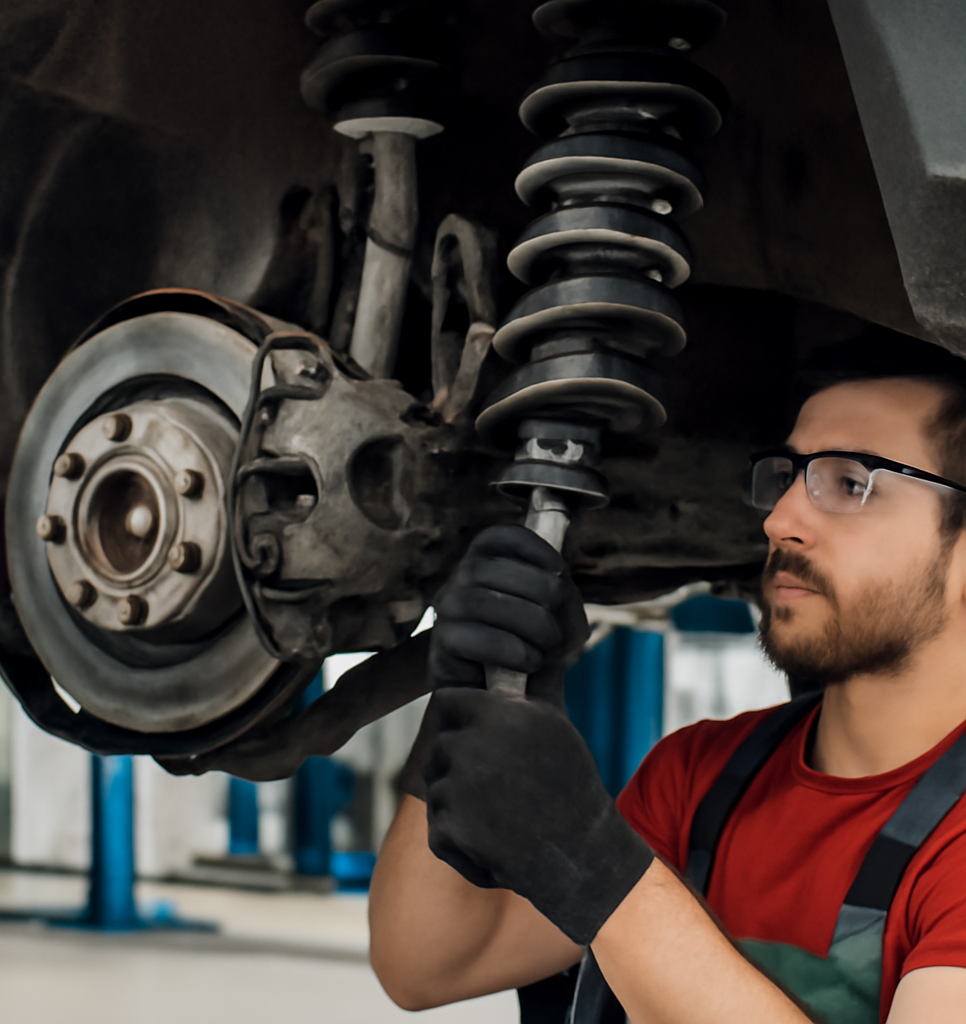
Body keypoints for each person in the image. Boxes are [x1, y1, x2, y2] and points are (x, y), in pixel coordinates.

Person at [368, 334, 966, 1024]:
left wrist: (599, 868)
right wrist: (473, 703)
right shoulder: (699, 773)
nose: (778, 521)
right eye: (787, 476)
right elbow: (424, 965)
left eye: (849, 482)